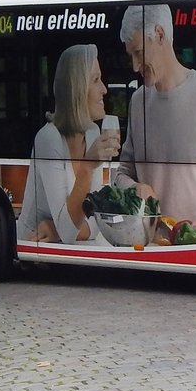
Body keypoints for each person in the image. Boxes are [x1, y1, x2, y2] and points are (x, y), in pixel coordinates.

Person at [114, 3, 196, 233]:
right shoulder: (138, 102)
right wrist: (134, 187)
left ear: (160, 34)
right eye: (131, 56)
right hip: (151, 247)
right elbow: (121, 174)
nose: (135, 66)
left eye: (138, 53)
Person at [17, 44, 121, 244]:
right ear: (77, 89)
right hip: (34, 255)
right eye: (95, 80)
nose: (104, 89)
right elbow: (69, 231)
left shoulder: (92, 133)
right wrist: (88, 167)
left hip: (72, 252)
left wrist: (58, 230)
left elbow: (96, 220)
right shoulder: (48, 138)